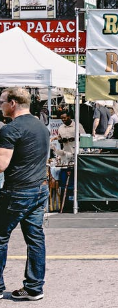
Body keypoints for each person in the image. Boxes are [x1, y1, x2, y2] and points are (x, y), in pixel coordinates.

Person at [0, 87, 51, 300]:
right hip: (40, 188)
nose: (0, 105)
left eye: (2, 101)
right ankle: (34, 288)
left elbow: (2, 165)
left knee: (1, 236)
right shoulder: (41, 126)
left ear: (13, 103)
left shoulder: (10, 130)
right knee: (35, 237)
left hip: (18, 191)